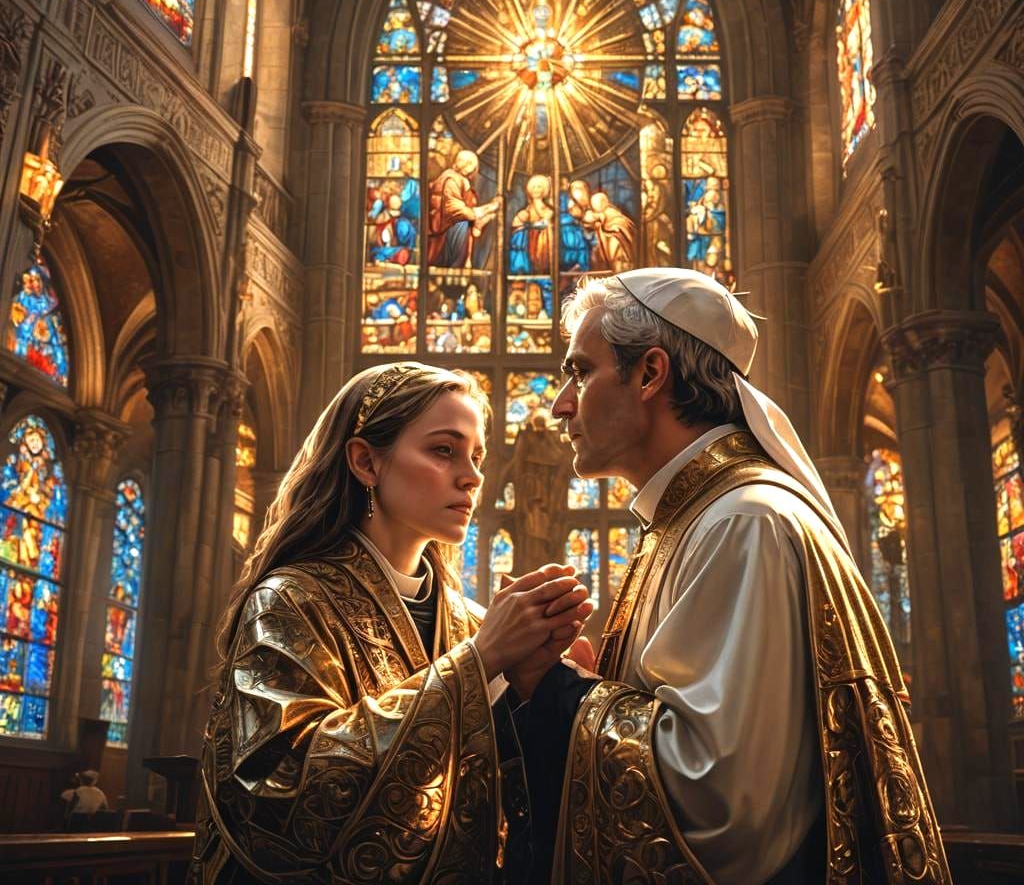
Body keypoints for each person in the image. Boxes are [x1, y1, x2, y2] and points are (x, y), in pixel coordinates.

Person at [503, 269, 951, 884]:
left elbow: (717, 805)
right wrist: (587, 680)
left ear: (650, 374)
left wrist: (554, 689)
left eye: (580, 371)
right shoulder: (692, 519)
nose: (560, 404)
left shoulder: (743, 524)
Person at [189, 362, 593, 883]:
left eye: (476, 456)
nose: (471, 476)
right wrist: (479, 662)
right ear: (366, 462)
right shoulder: (290, 599)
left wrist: (540, 692)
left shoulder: (472, 621)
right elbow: (275, 796)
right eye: (443, 450)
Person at [427, 149, 501, 269]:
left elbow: (469, 208)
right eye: (464, 161)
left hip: (463, 226)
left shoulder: (462, 180)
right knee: (461, 226)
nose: (467, 165)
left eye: (471, 163)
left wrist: (488, 211)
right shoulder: (450, 178)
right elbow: (453, 208)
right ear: (457, 162)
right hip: (447, 230)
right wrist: (485, 210)